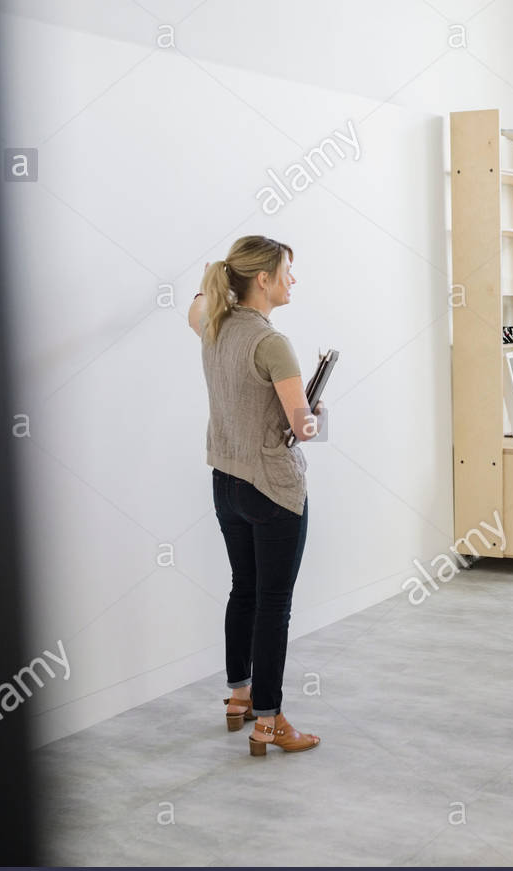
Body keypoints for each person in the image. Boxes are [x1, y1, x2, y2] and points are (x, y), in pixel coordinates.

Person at [188, 235, 321, 756]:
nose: (292, 280)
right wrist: (314, 404)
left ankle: (239, 698)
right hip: (272, 489)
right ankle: (271, 720)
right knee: (273, 603)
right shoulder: (272, 343)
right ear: (262, 279)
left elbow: (197, 303)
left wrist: (210, 278)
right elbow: (302, 426)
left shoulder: (212, 325)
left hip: (225, 481)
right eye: (287, 270)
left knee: (243, 589)